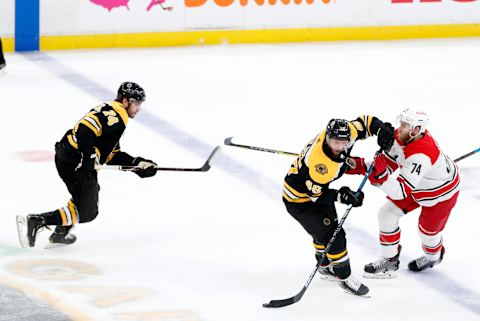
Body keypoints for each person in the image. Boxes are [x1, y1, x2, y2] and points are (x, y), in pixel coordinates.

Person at [16, 82, 158, 248]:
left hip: (68, 158)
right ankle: (36, 221)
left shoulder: (110, 109)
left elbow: (110, 154)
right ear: (126, 101)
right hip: (75, 163)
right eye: (137, 103)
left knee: (83, 201)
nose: (138, 108)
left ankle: (60, 233)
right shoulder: (118, 117)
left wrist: (136, 164)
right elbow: (84, 129)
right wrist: (88, 157)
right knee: (88, 211)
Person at [282, 115, 394, 296]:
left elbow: (366, 122)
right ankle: (345, 278)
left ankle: (325, 266)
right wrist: (341, 196)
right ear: (327, 138)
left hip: (313, 189)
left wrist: (381, 129)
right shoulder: (321, 166)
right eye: (335, 142)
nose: (340, 147)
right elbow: (316, 198)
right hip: (300, 200)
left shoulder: (346, 131)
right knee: (335, 236)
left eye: (344, 143)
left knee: (323, 230)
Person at [359, 108, 459, 278]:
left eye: (404, 125)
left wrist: (380, 179)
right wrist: (354, 165)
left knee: (427, 233)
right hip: (415, 185)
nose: (400, 128)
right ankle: (390, 260)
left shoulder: (421, 155)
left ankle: (433, 257)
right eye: (401, 123)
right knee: (386, 214)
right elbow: (388, 163)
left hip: (439, 195)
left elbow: (400, 191)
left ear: (416, 130)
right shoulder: (404, 136)